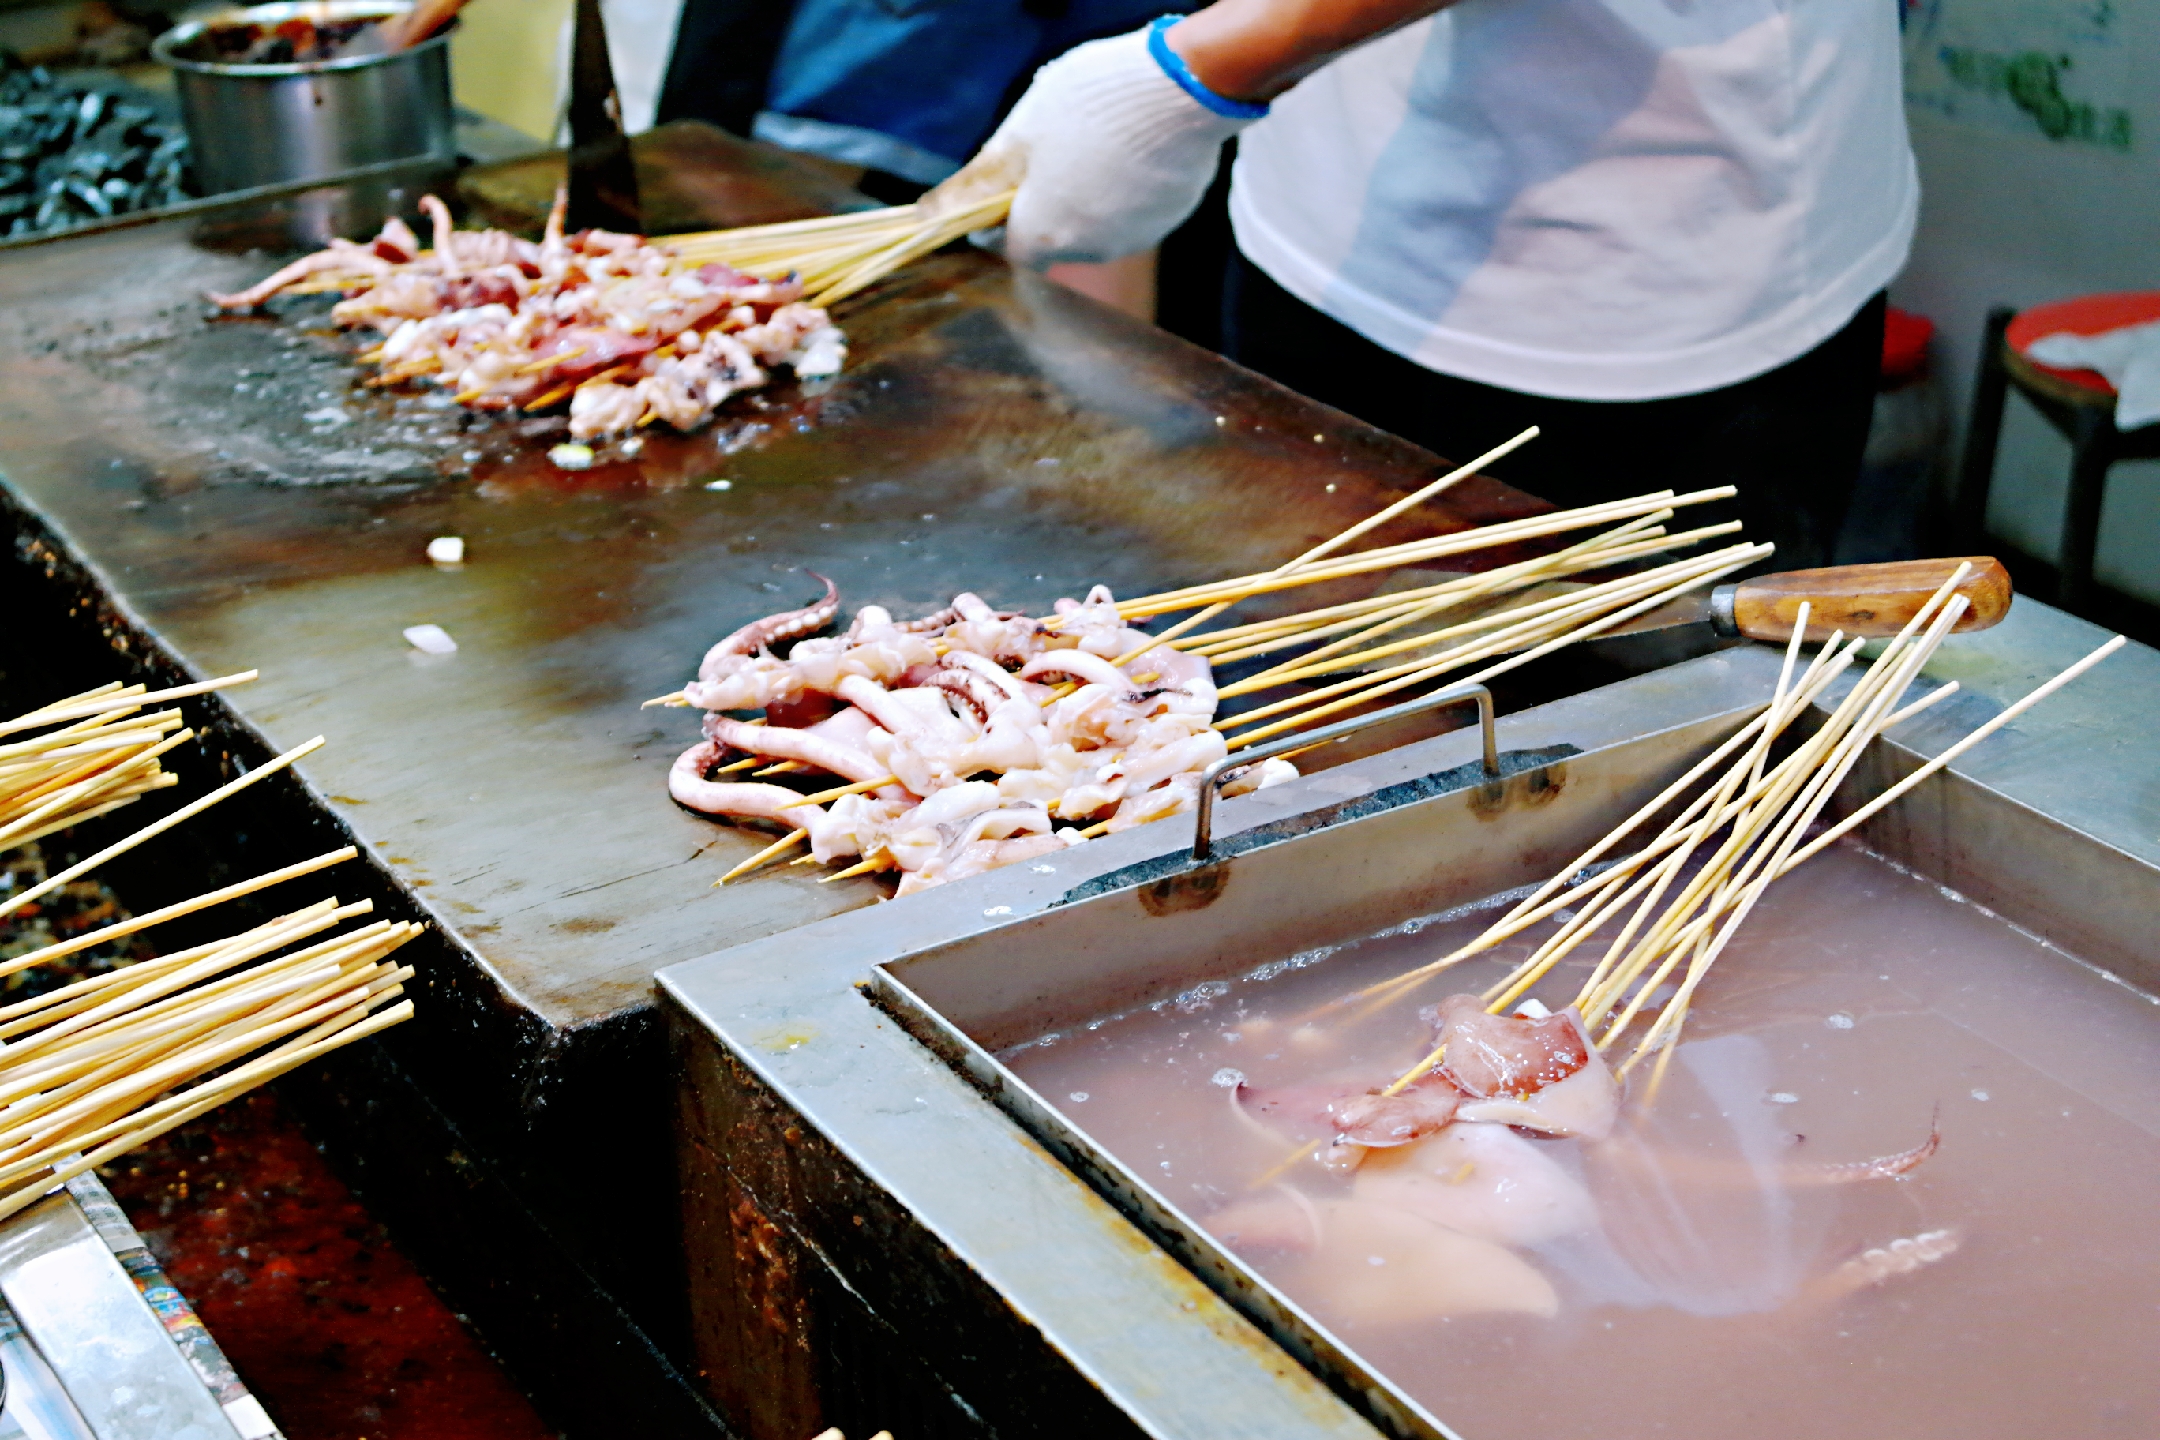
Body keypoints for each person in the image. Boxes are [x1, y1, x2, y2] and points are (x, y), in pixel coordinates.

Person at [946, 0, 1915, 567]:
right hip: (1325, 202)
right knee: (1315, 719)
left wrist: (1201, 64)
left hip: (1645, 268)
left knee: (1619, 787)